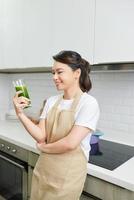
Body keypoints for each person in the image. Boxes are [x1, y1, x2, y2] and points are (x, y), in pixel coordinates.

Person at [13, 50, 100, 200]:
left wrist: (44, 148)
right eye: (53, 72)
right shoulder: (52, 101)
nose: (54, 77)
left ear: (76, 73)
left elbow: (70, 143)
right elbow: (41, 135)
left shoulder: (89, 103)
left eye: (59, 72)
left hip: (67, 177)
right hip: (44, 170)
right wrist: (20, 114)